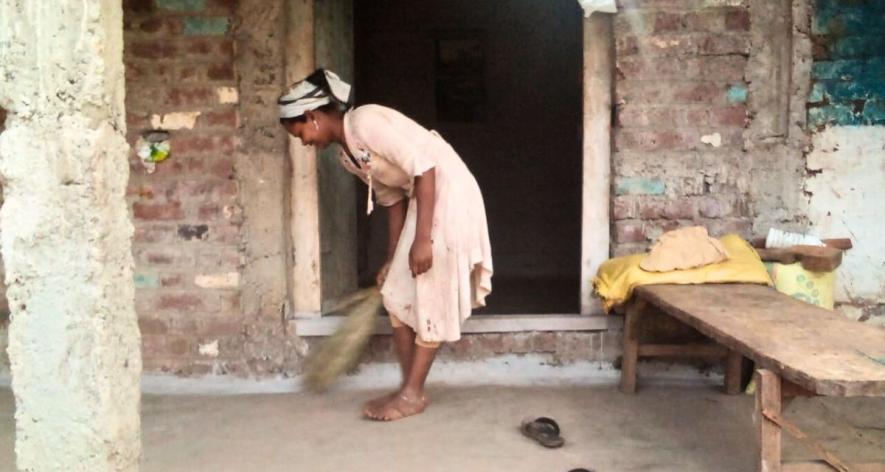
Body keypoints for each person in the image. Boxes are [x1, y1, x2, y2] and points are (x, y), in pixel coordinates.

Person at [279, 69, 493, 421]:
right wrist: (392, 259)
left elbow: (426, 169)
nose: (302, 141)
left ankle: (412, 394)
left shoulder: (365, 121)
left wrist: (423, 240)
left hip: (448, 191)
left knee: (431, 292)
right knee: (396, 295)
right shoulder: (346, 156)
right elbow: (393, 200)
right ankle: (408, 386)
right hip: (424, 199)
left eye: (299, 131)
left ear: (313, 116)